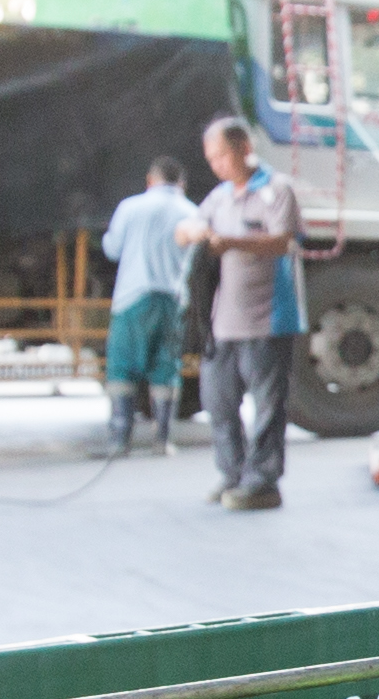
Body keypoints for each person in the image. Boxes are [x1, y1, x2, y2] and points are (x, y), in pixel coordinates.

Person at [193, 112, 305, 512]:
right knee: (219, 402)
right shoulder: (220, 197)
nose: (216, 165)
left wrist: (233, 243)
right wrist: (194, 233)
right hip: (224, 322)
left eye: (222, 156)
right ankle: (232, 473)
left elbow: (281, 241)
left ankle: (263, 481)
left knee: (268, 405)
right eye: (211, 159)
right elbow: (191, 225)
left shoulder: (277, 190)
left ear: (245, 149)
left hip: (268, 318)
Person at [97, 154, 197, 456]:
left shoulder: (131, 207)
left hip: (132, 299)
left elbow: (112, 249)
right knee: (166, 368)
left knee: (122, 368)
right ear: (181, 183)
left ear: (150, 181)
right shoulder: (191, 211)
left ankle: (120, 440)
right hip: (172, 299)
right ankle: (162, 439)